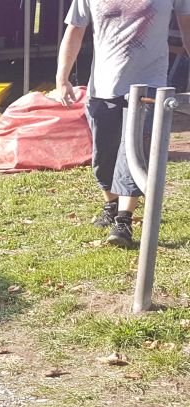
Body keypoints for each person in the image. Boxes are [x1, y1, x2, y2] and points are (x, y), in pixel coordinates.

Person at [56, 0, 190, 248]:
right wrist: (62, 77)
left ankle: (123, 220)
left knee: (133, 152)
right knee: (103, 156)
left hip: (150, 84)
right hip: (103, 86)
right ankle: (111, 204)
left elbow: (187, 27)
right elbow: (74, 30)